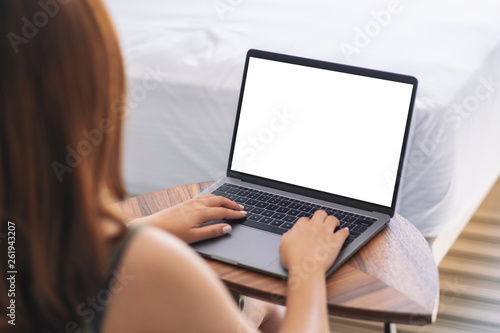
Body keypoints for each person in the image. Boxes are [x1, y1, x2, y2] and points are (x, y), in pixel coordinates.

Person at [0, 1, 349, 332]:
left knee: (259, 307)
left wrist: (135, 226)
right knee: (266, 305)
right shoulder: (152, 267)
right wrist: (308, 271)